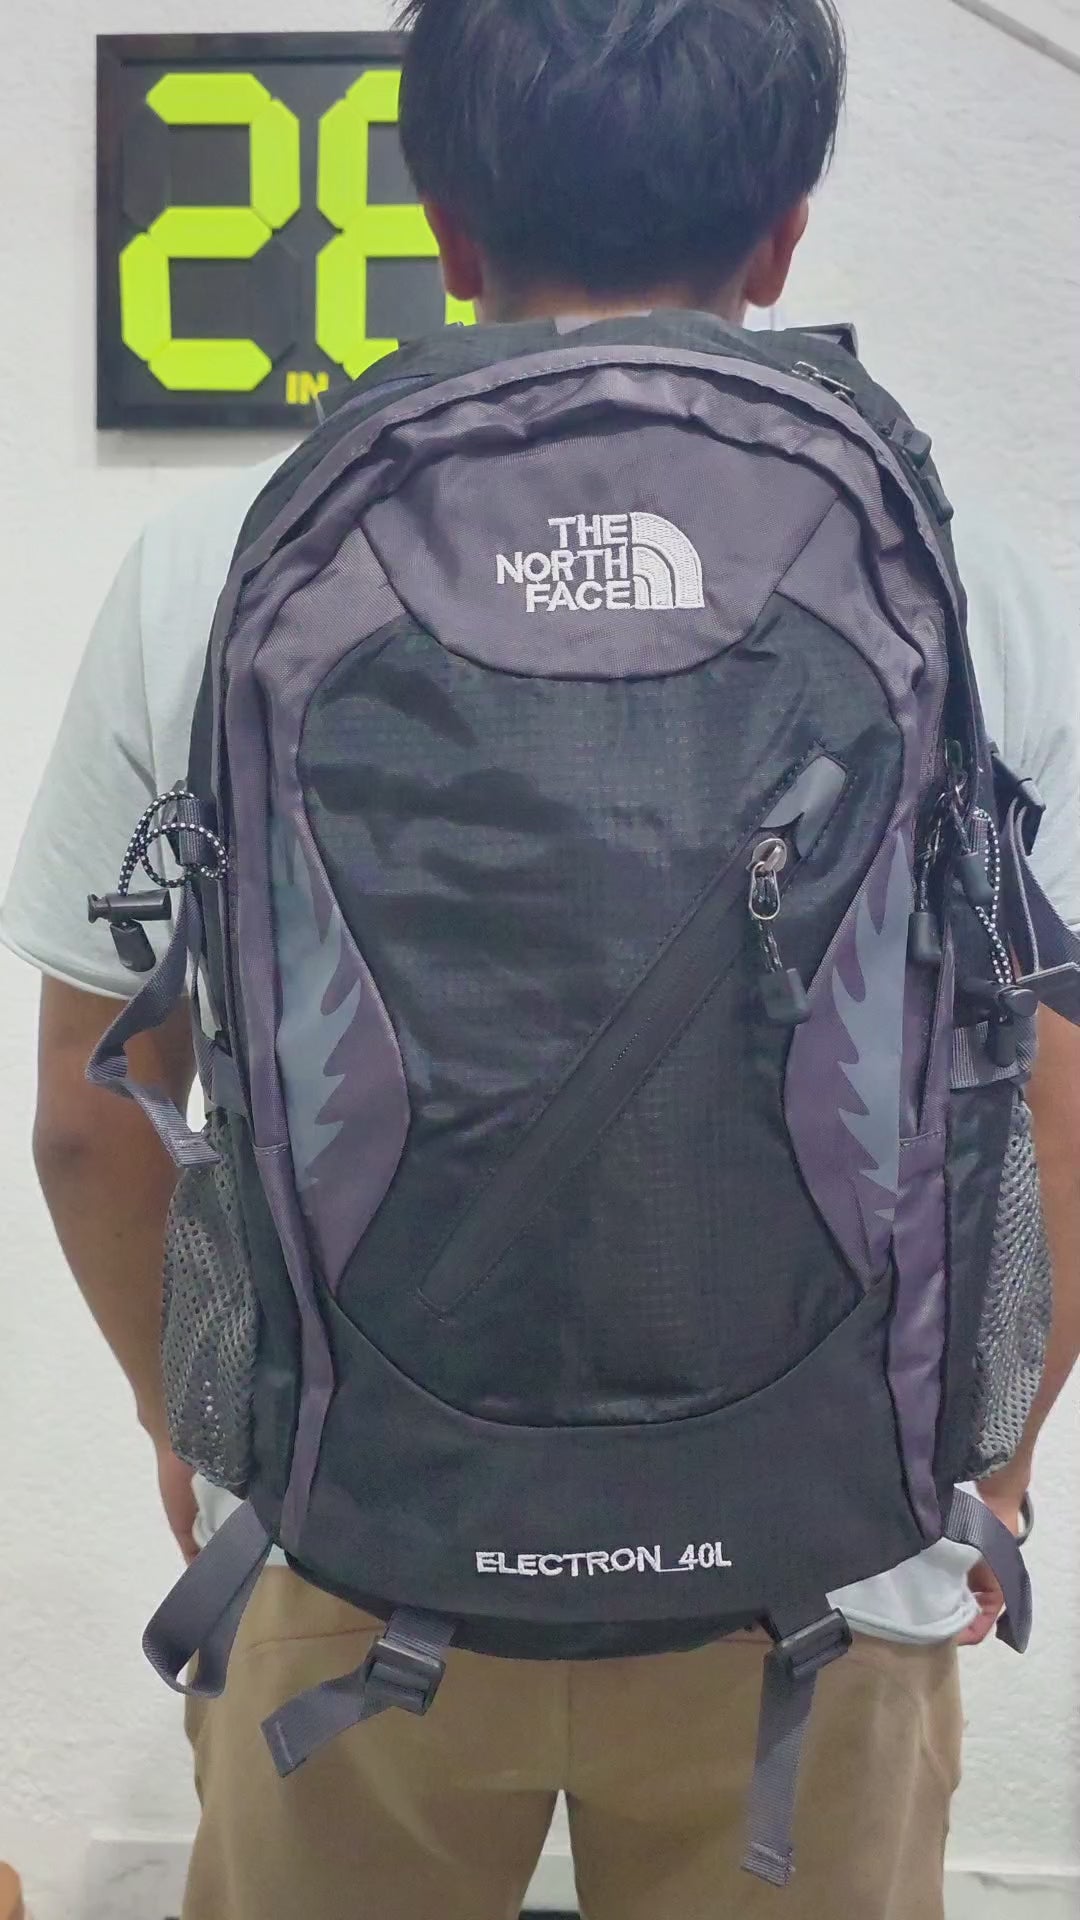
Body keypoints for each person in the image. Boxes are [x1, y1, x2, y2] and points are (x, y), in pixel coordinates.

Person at [5, 2, 1080, 1916]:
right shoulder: (967, 575)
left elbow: (94, 1119)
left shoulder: (214, 563)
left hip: (355, 1541)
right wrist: (983, 1447)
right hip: (828, 1562)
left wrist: (208, 1419)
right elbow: (1062, 1104)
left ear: (443, 228)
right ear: (783, 237)